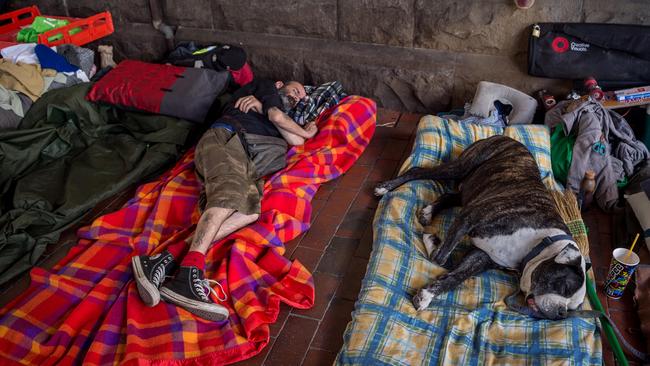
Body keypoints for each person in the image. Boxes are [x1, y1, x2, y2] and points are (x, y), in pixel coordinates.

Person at [131, 78, 317, 321]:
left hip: (247, 160)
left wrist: (274, 115)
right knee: (230, 197)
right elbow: (280, 120)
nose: (297, 98)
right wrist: (309, 130)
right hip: (228, 140)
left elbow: (295, 139)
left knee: (248, 212)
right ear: (281, 84)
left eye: (300, 99)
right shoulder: (266, 87)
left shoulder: (270, 109)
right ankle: (189, 273)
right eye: (295, 91)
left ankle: (163, 260)